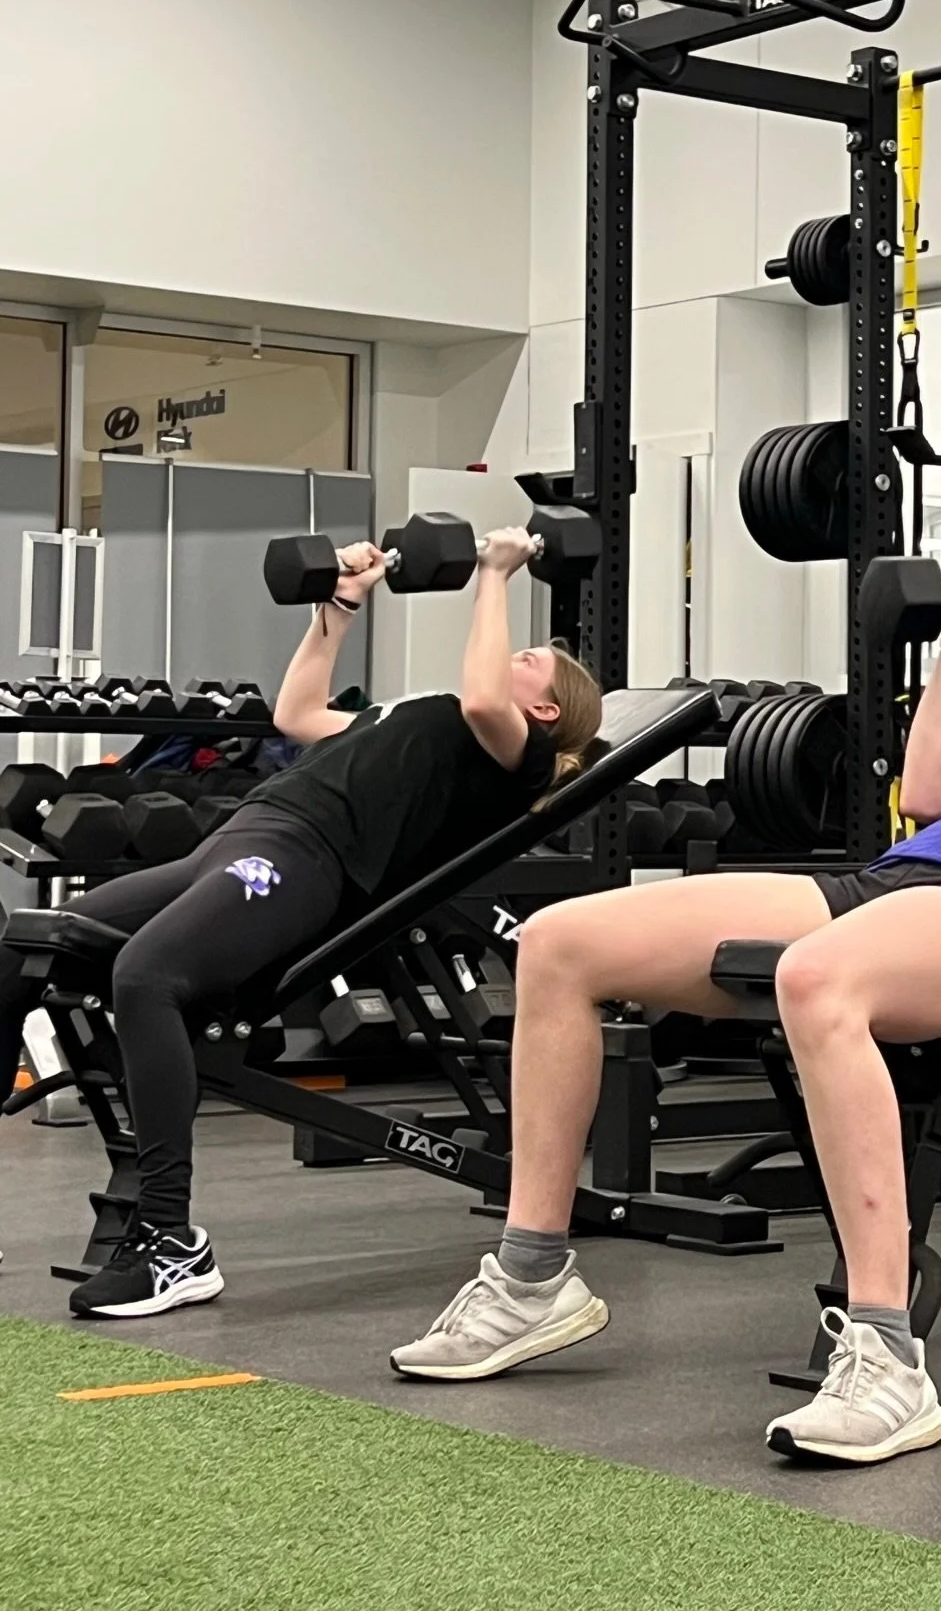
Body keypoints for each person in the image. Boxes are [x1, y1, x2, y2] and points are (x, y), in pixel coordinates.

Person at [392, 570, 941, 1465]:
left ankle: (888, 1357)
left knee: (818, 979)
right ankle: (530, 1277)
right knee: (557, 943)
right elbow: (932, 787)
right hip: (892, 881)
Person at [0, 527, 602, 1320]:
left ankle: (172, 1245)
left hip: (305, 861)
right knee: (29, 938)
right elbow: (297, 713)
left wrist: (494, 574)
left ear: (546, 708)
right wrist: (342, 605)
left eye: (531, 658)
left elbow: (489, 693)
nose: (513, 654)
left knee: (146, 977)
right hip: (235, 842)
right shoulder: (416, 717)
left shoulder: (506, 756)